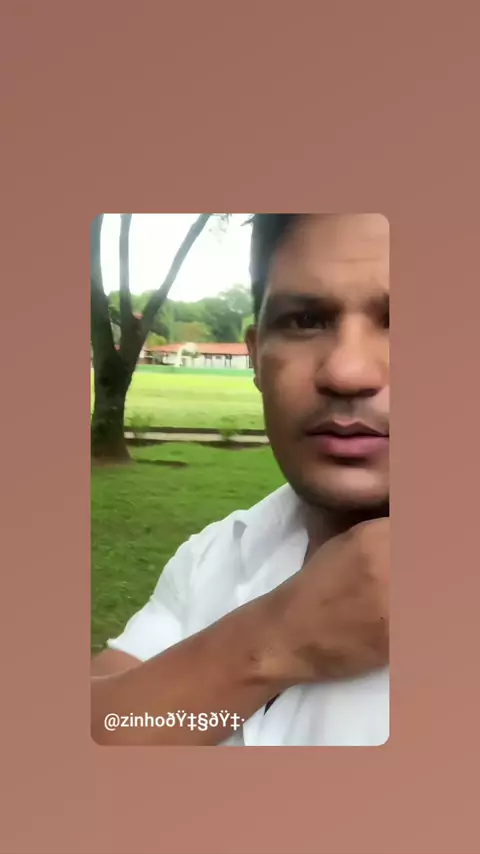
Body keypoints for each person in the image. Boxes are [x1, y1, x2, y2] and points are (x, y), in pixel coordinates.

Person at [91, 213, 390, 746]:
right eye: (304, 320)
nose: (346, 372)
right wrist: (276, 637)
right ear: (255, 355)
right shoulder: (216, 554)